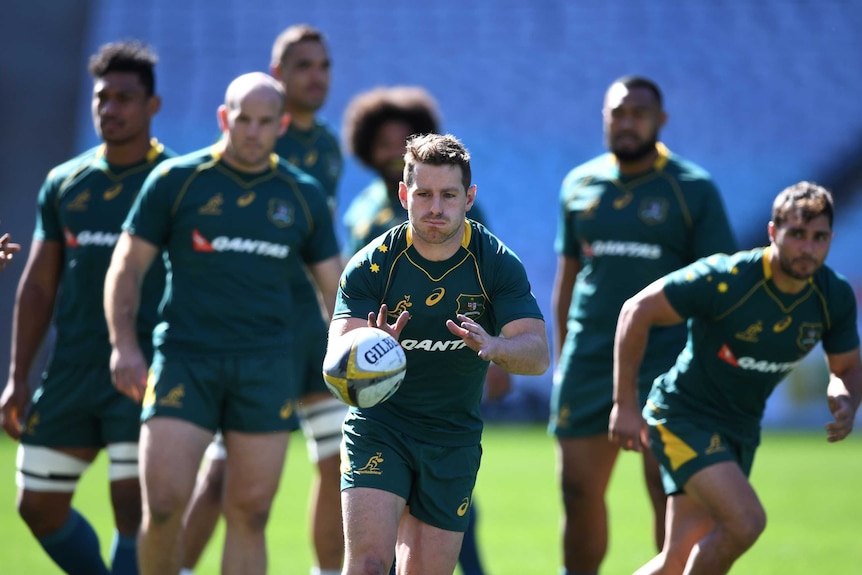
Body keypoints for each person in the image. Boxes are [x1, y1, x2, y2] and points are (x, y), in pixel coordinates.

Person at [103, 72, 343, 575]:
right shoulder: (177, 181)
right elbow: (126, 266)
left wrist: (352, 349)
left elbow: (335, 288)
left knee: (250, 512)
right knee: (165, 503)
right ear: (223, 118)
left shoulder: (303, 195)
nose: (253, 132)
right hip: (185, 360)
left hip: (266, 366)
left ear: (281, 124)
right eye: (242, 120)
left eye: (264, 122)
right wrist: (123, 344)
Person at [610, 181, 862, 574]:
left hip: (739, 429)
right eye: (797, 234)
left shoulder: (833, 296)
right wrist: (624, 405)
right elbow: (635, 311)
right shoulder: (727, 279)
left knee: (676, 559)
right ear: (773, 232)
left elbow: (845, 367)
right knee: (745, 522)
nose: (808, 248)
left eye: (819, 237)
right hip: (683, 416)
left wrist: (845, 398)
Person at [329, 132, 550, 575]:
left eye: (449, 195)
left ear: (468, 198)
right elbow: (335, 360)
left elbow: (538, 354)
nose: (435, 208)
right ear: (402, 194)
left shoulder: (495, 263)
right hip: (381, 426)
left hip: (453, 436)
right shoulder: (373, 264)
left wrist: (496, 346)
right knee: (369, 565)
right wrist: (369, 346)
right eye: (424, 194)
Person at [549, 75, 738, 575]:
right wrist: (564, 351)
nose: (627, 121)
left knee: (667, 490)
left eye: (639, 112)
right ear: (605, 118)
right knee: (576, 489)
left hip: (668, 360)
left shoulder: (692, 189)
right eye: (618, 112)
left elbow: (720, 287)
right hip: (589, 359)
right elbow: (568, 279)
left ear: (661, 120)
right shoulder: (579, 184)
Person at [179, 24, 347, 575]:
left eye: (323, 65)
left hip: (314, 330)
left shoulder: (326, 145)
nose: (316, 76)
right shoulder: (251, 145)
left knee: (338, 460)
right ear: (277, 76)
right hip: (256, 335)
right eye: (303, 66)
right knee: (222, 476)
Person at [0, 41, 172, 575]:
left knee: (132, 508)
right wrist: (17, 376)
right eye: (103, 97)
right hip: (71, 366)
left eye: (125, 98)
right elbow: (38, 284)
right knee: (37, 504)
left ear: (152, 106)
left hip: (142, 367)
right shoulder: (64, 182)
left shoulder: (176, 180)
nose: (111, 109)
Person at [340, 86, 504, 575]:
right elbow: (349, 297)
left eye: (402, 140)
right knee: (372, 537)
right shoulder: (362, 215)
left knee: (451, 519)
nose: (392, 150)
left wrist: (496, 356)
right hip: (381, 393)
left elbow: (490, 290)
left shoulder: (465, 221)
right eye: (383, 141)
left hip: (447, 391)